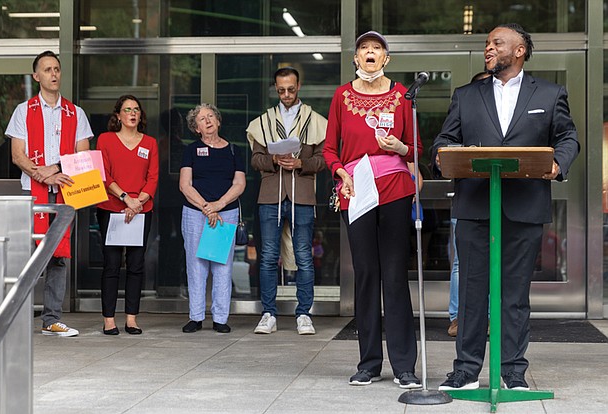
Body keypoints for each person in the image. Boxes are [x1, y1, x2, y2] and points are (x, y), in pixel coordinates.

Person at [433, 23, 579, 391]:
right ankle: (465, 370)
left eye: (496, 43)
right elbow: (446, 138)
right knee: (471, 293)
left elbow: (567, 137)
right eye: (487, 44)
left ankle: (513, 372)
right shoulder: (466, 95)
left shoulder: (549, 92)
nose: (488, 48)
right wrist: (443, 155)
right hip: (474, 206)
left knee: (514, 295)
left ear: (519, 51)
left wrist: (558, 163)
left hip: (524, 207)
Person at [322, 31, 422, 388]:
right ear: (356, 58)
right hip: (356, 189)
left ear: (386, 59)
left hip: (394, 188)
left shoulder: (402, 95)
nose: (369, 52)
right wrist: (339, 174)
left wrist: (400, 146)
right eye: (363, 48)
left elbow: (416, 148)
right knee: (366, 275)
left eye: (376, 48)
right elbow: (329, 149)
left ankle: (405, 366)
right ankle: (368, 363)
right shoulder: (341, 95)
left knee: (394, 274)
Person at [5, 50, 93, 337]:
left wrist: (53, 169)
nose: (54, 74)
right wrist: (40, 173)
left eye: (56, 69)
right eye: (47, 70)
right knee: (28, 255)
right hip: (33, 192)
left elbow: (83, 153)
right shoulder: (23, 110)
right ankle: (14, 318)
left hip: (65, 192)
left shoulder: (75, 112)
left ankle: (51, 319)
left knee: (59, 256)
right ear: (36, 76)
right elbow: (18, 155)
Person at [247, 67, 327, 335]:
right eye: (281, 90)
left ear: (299, 86)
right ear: (275, 88)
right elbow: (255, 159)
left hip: (302, 194)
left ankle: (304, 313)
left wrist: (301, 162)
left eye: (291, 89)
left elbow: (324, 160)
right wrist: (272, 159)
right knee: (268, 256)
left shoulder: (315, 120)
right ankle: (268, 312)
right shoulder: (264, 121)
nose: (286, 94)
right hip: (270, 194)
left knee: (304, 256)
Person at [95, 95, 159, 335]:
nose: (132, 113)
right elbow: (104, 175)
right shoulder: (106, 139)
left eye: (136, 110)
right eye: (127, 109)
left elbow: (152, 177)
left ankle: (131, 318)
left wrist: (138, 202)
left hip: (142, 210)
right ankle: (109, 319)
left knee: (136, 264)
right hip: (111, 208)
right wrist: (126, 199)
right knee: (111, 264)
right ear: (118, 115)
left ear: (140, 115)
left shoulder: (150, 143)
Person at [180, 103, 246, 334]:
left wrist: (218, 205)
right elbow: (185, 185)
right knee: (196, 266)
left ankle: (220, 318)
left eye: (210, 117)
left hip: (225, 212)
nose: (207, 121)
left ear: (218, 121)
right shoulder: (190, 150)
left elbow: (239, 184)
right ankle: (196, 317)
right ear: (196, 128)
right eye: (201, 119)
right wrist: (206, 208)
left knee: (222, 266)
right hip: (195, 213)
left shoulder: (234, 150)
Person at [447, 71, 491, 338]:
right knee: (460, 264)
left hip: (503, 200)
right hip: (468, 199)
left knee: (496, 262)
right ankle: (457, 317)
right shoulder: (463, 115)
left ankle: (488, 317)